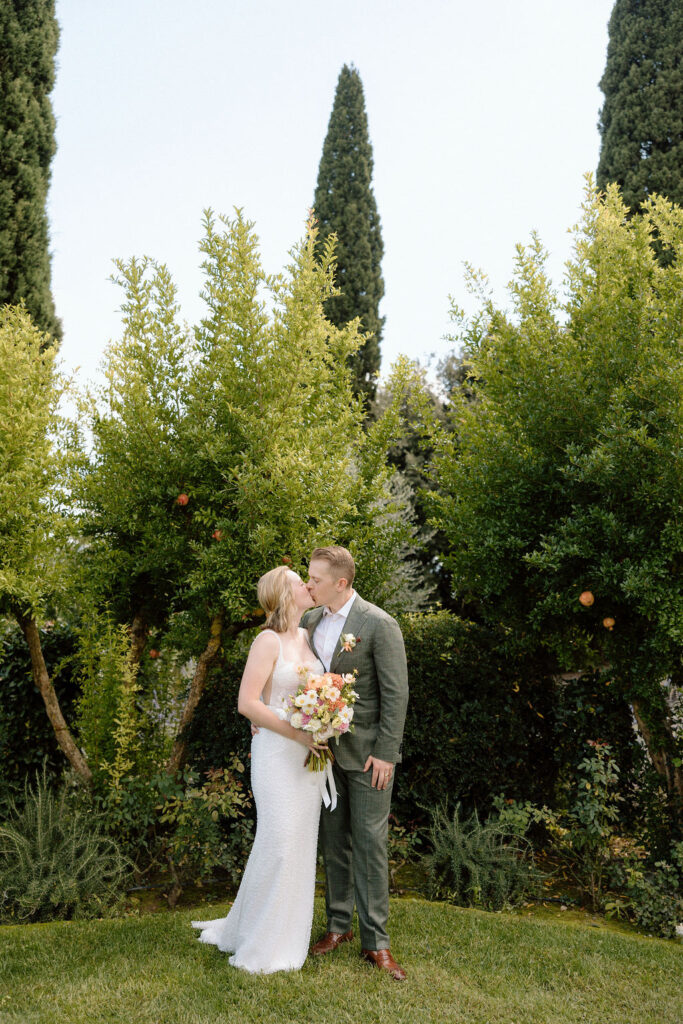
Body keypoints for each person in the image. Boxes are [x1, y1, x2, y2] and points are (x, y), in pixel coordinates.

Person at [190, 565, 327, 974]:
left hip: (309, 759)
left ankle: (279, 929)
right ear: (283, 595)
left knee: (299, 846)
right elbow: (248, 703)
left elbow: (314, 691)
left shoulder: (308, 634)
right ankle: (263, 942)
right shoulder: (266, 641)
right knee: (279, 841)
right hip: (277, 754)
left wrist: (325, 718)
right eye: (298, 581)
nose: (306, 584)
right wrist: (298, 733)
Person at [304, 546, 409, 981]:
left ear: (341, 583)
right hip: (324, 754)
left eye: (315, 578)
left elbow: (395, 693)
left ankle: (376, 942)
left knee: (369, 844)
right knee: (334, 842)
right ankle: (337, 927)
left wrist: (385, 752)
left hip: (369, 756)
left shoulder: (379, 624)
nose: (308, 584)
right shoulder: (308, 621)